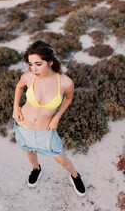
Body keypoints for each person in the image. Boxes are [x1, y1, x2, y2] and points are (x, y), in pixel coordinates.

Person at [13, 40, 86, 196]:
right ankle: (36, 169)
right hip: (23, 125)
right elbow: (19, 87)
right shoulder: (28, 77)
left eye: (38, 64)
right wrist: (15, 109)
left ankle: (75, 176)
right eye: (31, 64)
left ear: (50, 62)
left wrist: (57, 116)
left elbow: (68, 99)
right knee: (29, 151)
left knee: (61, 158)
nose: (34, 69)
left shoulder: (65, 83)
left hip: (45, 130)